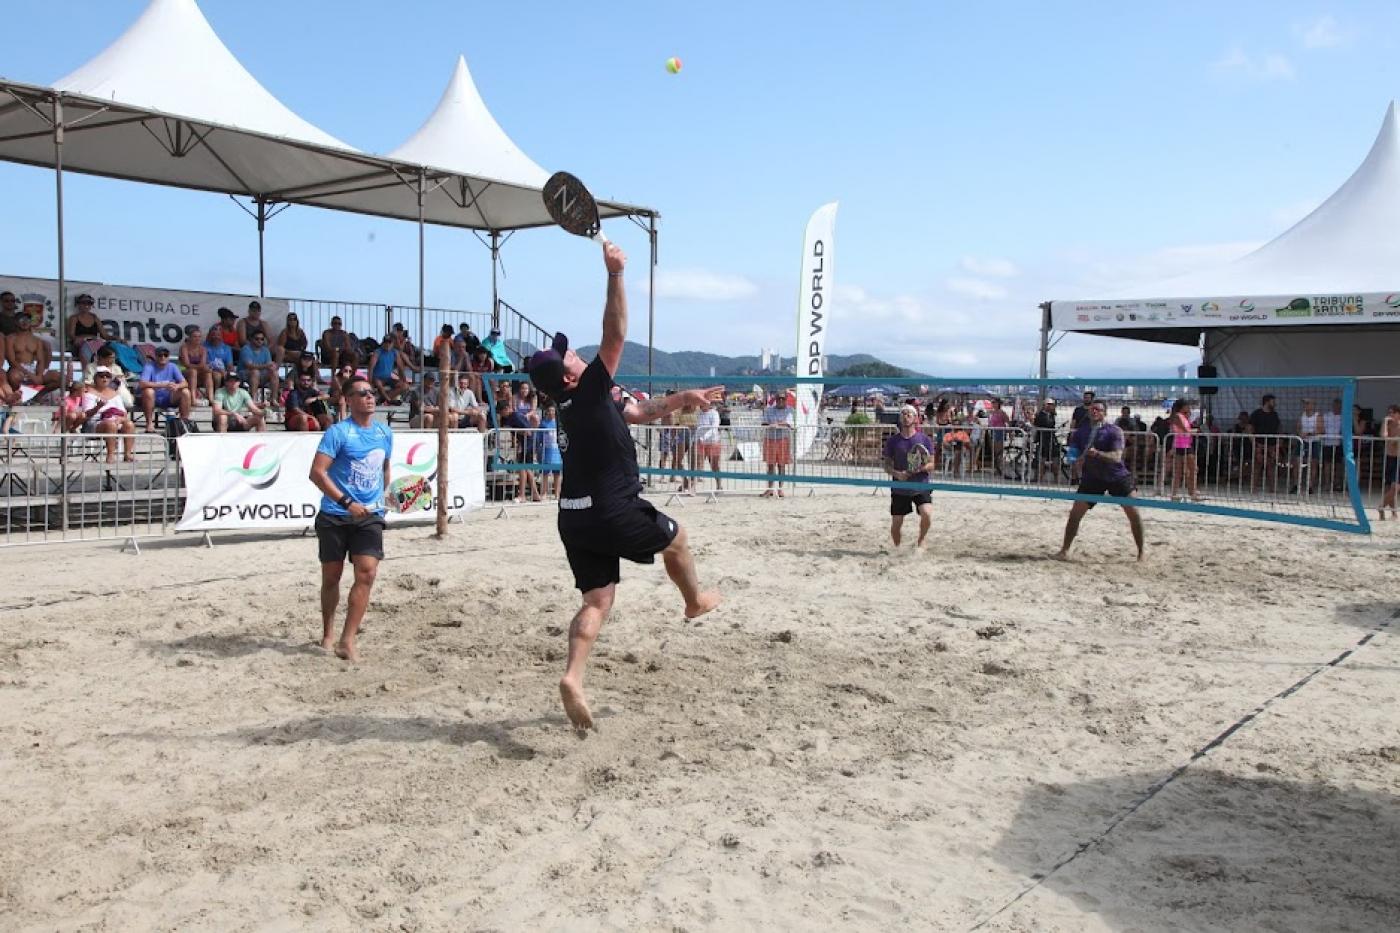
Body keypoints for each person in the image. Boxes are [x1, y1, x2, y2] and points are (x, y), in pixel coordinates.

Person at [524, 242, 721, 730]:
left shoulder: (575, 404)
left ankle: (573, 677)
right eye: (567, 354)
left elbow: (639, 411)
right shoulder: (588, 389)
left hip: (572, 516)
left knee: (596, 600)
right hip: (612, 508)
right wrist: (614, 275)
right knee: (677, 539)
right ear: (570, 377)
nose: (573, 352)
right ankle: (694, 601)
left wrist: (682, 398)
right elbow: (615, 333)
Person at [308, 376, 392, 663]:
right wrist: (347, 502)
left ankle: (348, 639)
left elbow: (384, 468)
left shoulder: (384, 433)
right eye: (362, 393)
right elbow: (317, 473)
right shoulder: (338, 432)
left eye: (371, 392)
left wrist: (386, 498)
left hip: (370, 515)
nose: (369, 397)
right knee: (332, 577)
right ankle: (328, 632)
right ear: (349, 400)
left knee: (367, 573)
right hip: (335, 514)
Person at [1056, 400, 1144, 562]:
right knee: (1075, 514)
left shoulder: (1113, 431)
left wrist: (1097, 454)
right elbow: (1073, 453)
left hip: (1117, 476)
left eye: (1098, 409)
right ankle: (1065, 550)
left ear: (1105, 413)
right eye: (1091, 409)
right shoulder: (1082, 431)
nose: (1094, 411)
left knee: (1134, 513)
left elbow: (1117, 457)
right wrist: (1073, 458)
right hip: (1093, 477)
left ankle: (1141, 553)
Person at [882, 404, 934, 548]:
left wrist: (919, 469)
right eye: (903, 414)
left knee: (927, 513)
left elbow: (932, 464)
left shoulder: (924, 439)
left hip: (920, 484)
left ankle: (921, 539)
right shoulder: (893, 441)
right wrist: (898, 474)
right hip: (900, 487)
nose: (906, 417)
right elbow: (886, 465)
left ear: (916, 418)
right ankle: (897, 548)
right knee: (896, 524)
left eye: (909, 414)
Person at [83, 368, 137, 462]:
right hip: (94, 423)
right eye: (101, 376)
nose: (104, 378)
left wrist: (120, 419)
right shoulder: (89, 393)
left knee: (129, 424)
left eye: (107, 376)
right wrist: (98, 407)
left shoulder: (115, 394)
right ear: (95, 378)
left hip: (114, 419)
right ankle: (110, 455)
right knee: (110, 424)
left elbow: (123, 413)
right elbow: (87, 414)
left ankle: (128, 454)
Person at [138, 346, 192, 429]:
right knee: (148, 391)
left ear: (168, 357)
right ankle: (149, 423)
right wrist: (162, 385)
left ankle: (184, 423)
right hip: (153, 398)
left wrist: (177, 386)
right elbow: (142, 384)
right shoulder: (149, 366)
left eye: (165, 355)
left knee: (186, 392)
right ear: (155, 356)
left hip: (169, 397)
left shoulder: (173, 366)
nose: (163, 357)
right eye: (160, 355)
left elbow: (185, 383)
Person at [1167, 398, 1202, 502]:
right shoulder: (1178, 416)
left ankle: (1180, 494)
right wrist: (1197, 430)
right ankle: (1191, 493)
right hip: (1184, 446)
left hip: (1183, 445)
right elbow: (1186, 431)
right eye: (1187, 406)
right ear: (1183, 406)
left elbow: (1185, 430)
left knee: (1185, 471)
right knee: (1192, 470)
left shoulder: (1181, 417)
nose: (1189, 408)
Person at [761, 391, 794, 497]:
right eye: (778, 399)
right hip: (770, 439)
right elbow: (764, 422)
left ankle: (780, 489)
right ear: (775, 400)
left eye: (783, 399)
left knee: (781, 465)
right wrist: (775, 424)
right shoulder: (768, 410)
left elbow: (789, 423)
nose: (780, 400)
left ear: (786, 400)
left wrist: (776, 424)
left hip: (783, 439)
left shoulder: (790, 410)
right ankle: (770, 488)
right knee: (770, 465)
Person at [6, 312, 50, 388]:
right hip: (18, 368)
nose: (25, 322)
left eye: (28, 320)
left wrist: (39, 375)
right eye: (22, 320)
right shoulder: (10, 339)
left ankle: (39, 396)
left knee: (57, 377)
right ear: (16, 322)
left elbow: (40, 360)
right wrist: (30, 374)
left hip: (32, 367)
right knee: (14, 377)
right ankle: (18, 397)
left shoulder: (36, 340)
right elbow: (12, 361)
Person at [1249, 393, 1283, 493]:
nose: (1275, 403)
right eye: (1273, 401)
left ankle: (1273, 489)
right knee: (1257, 466)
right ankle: (1253, 488)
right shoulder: (1256, 414)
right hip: (1260, 444)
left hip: (1271, 445)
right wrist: (1255, 444)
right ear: (1267, 402)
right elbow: (1250, 429)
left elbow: (1279, 429)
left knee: (1271, 466)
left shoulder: (1275, 415)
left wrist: (1278, 444)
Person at [67, 293, 107, 364]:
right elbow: (71, 334)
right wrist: (81, 338)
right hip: (81, 344)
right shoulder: (74, 318)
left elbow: (105, 335)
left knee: (109, 348)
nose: (86, 305)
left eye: (89, 303)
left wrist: (117, 338)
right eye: (83, 303)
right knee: (88, 347)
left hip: (95, 343)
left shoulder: (95, 318)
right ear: (78, 305)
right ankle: (88, 368)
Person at [694, 399, 723, 491]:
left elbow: (714, 427)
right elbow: (697, 428)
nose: (701, 405)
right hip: (700, 442)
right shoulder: (698, 413)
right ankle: (692, 487)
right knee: (697, 464)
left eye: (703, 403)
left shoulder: (714, 413)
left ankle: (719, 485)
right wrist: (694, 439)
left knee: (714, 466)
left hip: (713, 442)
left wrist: (704, 437)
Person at [179, 325, 213, 406]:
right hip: (184, 371)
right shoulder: (184, 347)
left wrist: (203, 367)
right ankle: (193, 399)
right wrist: (201, 367)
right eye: (195, 337)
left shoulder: (203, 349)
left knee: (208, 372)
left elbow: (203, 363)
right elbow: (186, 364)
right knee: (193, 372)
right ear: (190, 338)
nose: (197, 339)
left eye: (199, 337)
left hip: (196, 371)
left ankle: (210, 398)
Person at [368, 335, 407, 404]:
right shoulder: (377, 352)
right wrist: (369, 382)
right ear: (383, 343)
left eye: (389, 343)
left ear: (392, 343)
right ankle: (389, 400)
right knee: (378, 383)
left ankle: (383, 399)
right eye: (386, 342)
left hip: (388, 378)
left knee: (405, 386)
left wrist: (403, 379)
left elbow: (400, 367)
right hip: (377, 378)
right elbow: (371, 367)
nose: (387, 344)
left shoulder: (394, 352)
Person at [539, 401, 562, 499]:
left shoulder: (558, 423)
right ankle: (544, 492)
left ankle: (557, 493)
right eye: (549, 411)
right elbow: (539, 437)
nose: (551, 413)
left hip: (556, 450)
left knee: (557, 473)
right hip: (547, 449)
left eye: (553, 411)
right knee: (545, 472)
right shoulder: (543, 423)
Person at [1380, 404, 1400, 521]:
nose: (1390, 415)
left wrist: (1388, 438)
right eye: (1389, 412)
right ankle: (1393, 513)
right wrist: (1384, 422)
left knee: (1395, 487)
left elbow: (1391, 442)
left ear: (1398, 414)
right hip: (1389, 458)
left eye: (1392, 412)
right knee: (1390, 487)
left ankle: (1381, 506)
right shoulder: (1387, 425)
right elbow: (1384, 436)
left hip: (1398, 458)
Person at [1321, 398, 1345, 493]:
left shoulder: (1343, 417)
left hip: (1338, 443)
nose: (1337, 407)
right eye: (1335, 405)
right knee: (1327, 464)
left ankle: (1337, 483)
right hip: (1327, 443)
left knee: (1338, 465)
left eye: (1339, 406)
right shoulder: (1327, 416)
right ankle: (1327, 483)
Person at [1033, 399, 1059, 483]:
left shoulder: (1051, 414)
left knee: (1055, 462)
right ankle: (1040, 480)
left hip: (1051, 440)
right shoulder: (1040, 415)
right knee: (1042, 462)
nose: (1050, 406)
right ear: (1044, 405)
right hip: (1043, 441)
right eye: (1049, 404)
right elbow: (1040, 424)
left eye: (1052, 404)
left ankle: (1056, 480)